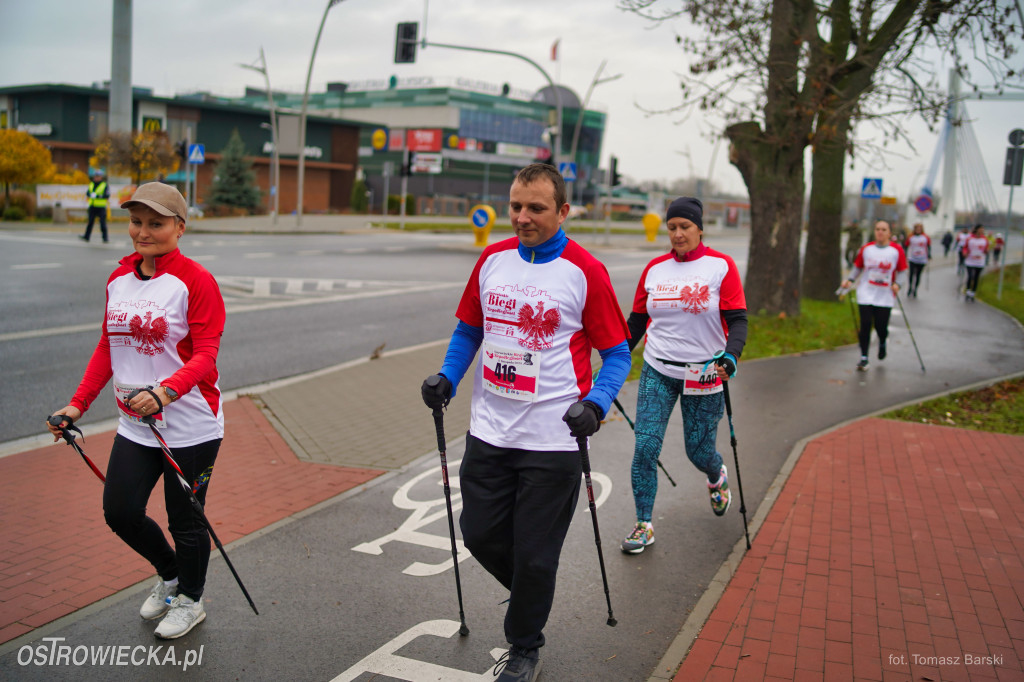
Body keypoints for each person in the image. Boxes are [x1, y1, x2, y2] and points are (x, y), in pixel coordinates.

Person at [420, 163, 630, 682]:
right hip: (489, 432)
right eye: (516, 205)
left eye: (535, 208)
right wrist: (447, 376)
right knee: (480, 536)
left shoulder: (585, 271)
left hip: (554, 440)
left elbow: (619, 353)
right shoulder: (492, 260)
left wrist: (598, 404)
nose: (522, 217)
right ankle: (532, 594)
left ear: (562, 211)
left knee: (536, 557)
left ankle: (524, 645)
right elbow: (469, 330)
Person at [47, 182, 226, 640]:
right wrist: (77, 404)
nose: (142, 232)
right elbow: (108, 346)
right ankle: (170, 576)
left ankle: (191, 599)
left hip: (190, 426)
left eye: (156, 223)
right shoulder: (118, 280)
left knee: (185, 521)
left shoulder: (195, 281)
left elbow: (206, 354)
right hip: (136, 425)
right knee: (120, 511)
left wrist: (167, 391)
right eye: (137, 222)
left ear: (179, 228)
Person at [619, 197, 748, 555]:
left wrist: (731, 356)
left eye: (685, 227)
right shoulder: (655, 269)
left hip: (705, 373)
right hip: (658, 368)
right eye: (672, 227)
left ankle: (716, 474)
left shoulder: (720, 266)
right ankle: (643, 524)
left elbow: (738, 320)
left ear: (699, 227)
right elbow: (637, 323)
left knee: (699, 451)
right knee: (645, 447)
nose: (677, 234)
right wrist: (612, 356)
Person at [841, 220, 908, 371]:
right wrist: (850, 280)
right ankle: (864, 357)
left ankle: (883, 341)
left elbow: (902, 271)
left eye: (884, 229)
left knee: (880, 326)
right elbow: (857, 267)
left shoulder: (896, 250)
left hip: (885, 295)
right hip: (866, 292)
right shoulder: (867, 249)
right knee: (865, 324)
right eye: (878, 229)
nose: (880, 232)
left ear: (889, 233)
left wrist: (898, 284)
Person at [903, 222, 931, 297]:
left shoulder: (925, 237)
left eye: (920, 229)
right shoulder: (911, 237)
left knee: (918, 275)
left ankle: (915, 289)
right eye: (917, 229)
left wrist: (929, 255)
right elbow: (905, 245)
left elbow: (928, 246)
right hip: (912, 258)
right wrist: (905, 254)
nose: (918, 230)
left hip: (922, 259)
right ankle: (909, 288)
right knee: (911, 274)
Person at [81, 170, 110, 243]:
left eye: (97, 176)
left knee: (102, 223)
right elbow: (87, 193)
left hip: (101, 207)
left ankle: (105, 238)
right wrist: (90, 195)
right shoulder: (91, 184)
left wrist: (98, 196)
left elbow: (107, 195)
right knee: (90, 222)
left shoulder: (104, 185)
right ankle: (86, 237)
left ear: (101, 177)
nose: (96, 178)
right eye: (95, 176)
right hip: (92, 206)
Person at [963, 224, 988, 302]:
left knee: (976, 278)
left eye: (983, 230)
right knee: (970, 276)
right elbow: (965, 248)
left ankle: (973, 293)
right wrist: (965, 253)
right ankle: (967, 291)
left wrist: (986, 251)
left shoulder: (985, 240)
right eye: (980, 229)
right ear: (977, 229)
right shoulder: (970, 238)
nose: (982, 231)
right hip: (970, 260)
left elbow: (986, 249)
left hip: (980, 261)